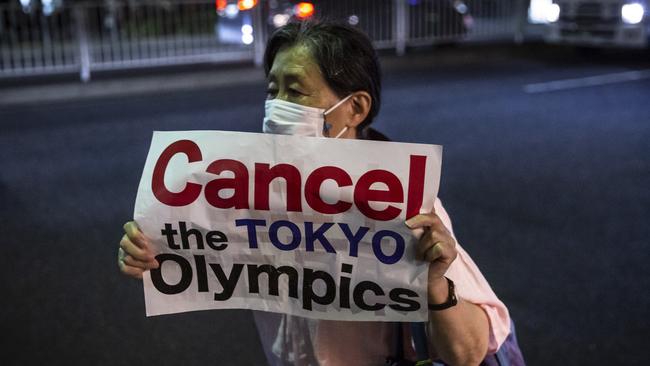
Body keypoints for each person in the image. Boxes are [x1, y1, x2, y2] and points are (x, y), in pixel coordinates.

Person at [118, 20, 523, 366]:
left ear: (356, 108)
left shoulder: (400, 203)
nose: (276, 106)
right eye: (272, 89)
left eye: (295, 91)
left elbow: (468, 352)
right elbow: (204, 259)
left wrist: (434, 284)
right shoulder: (248, 191)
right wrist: (154, 252)